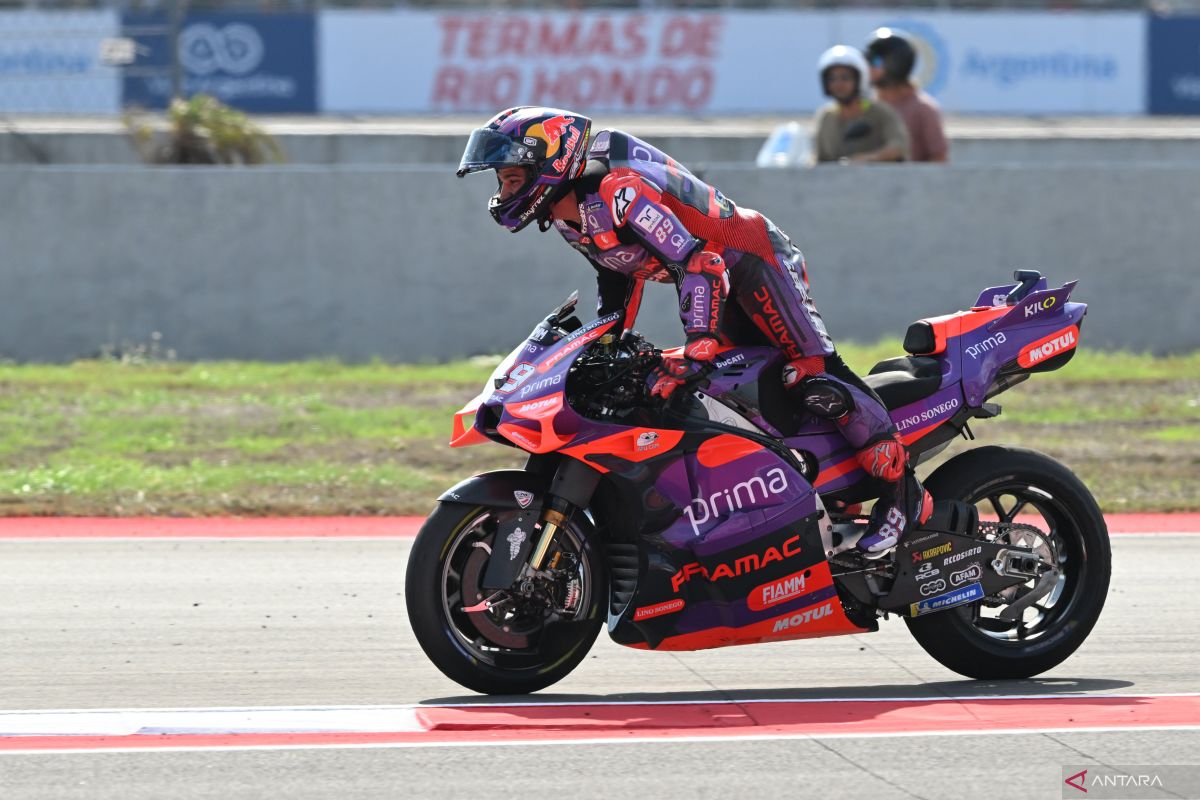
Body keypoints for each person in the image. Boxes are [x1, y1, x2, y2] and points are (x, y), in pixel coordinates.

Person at [455, 106, 932, 556]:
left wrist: (699, 343)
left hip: (754, 263)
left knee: (810, 374)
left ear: (551, 164)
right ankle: (825, 495)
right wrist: (603, 343)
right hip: (719, 279)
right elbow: (617, 278)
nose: (504, 188)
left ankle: (904, 496)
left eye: (513, 175)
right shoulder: (568, 217)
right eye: (502, 179)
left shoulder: (620, 192)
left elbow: (699, 265)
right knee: (735, 392)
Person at [811, 45, 910, 165]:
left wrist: (869, 159)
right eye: (832, 79)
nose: (839, 84)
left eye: (845, 78)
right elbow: (818, 160)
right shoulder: (826, 117)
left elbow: (899, 146)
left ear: (859, 80)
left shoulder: (880, 113)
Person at [864, 28, 948, 164]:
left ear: (896, 64)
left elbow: (939, 159)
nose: (868, 68)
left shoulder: (923, 109)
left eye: (874, 62)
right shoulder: (867, 106)